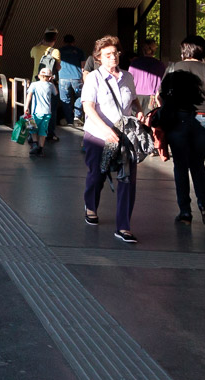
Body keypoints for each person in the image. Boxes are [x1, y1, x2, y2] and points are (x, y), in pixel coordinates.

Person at [80, 35, 142, 243]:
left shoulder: (127, 77)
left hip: (125, 137)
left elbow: (133, 100)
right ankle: (91, 205)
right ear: (98, 58)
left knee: (127, 179)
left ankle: (123, 226)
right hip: (98, 136)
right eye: (107, 55)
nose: (113, 58)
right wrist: (105, 129)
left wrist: (139, 111)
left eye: (115, 53)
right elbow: (88, 106)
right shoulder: (93, 79)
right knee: (97, 174)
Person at [157, 35, 205, 225]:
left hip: (178, 119)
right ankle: (204, 205)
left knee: (181, 166)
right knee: (198, 163)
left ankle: (185, 211)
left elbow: (161, 97)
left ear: (185, 49)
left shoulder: (173, 68)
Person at [24, 69, 58, 157]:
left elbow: (29, 95)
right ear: (50, 77)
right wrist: (52, 82)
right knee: (43, 131)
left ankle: (35, 144)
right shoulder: (51, 85)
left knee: (32, 128)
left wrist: (26, 106)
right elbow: (56, 93)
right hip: (47, 112)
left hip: (36, 112)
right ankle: (41, 149)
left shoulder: (34, 84)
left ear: (39, 76)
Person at [127, 38, 165, 113]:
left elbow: (129, 80)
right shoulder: (159, 64)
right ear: (154, 50)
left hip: (136, 97)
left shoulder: (135, 63)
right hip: (152, 98)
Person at [57, 34, 86, 128]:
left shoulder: (59, 51)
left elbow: (56, 65)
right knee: (80, 96)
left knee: (65, 99)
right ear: (74, 42)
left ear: (63, 42)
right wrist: (84, 78)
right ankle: (77, 117)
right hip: (77, 78)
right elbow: (83, 67)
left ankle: (69, 120)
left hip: (63, 78)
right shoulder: (79, 51)